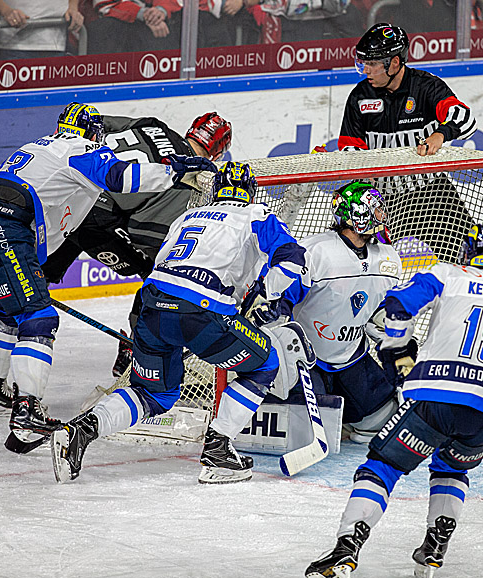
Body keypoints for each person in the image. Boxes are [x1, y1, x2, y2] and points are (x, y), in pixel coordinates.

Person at [0, 103, 216, 453]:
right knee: (39, 317)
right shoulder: (78, 147)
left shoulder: (35, 146)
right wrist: (173, 172)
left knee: (8, 311)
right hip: (0, 223)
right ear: (92, 132)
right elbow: (122, 179)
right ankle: (26, 411)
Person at [303, 224, 483, 578]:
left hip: (437, 396)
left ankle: (347, 547)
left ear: (467, 253)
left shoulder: (447, 273)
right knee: (450, 469)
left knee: (383, 465)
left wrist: (398, 348)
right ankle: (435, 543)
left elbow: (397, 305)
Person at [51, 161, 315, 485]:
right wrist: (268, 294)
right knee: (264, 364)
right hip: (201, 312)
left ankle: (81, 430)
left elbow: (164, 266)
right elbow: (293, 257)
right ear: (249, 192)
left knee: (152, 394)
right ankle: (218, 450)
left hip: (153, 308)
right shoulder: (255, 215)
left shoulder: (186, 217)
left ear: (215, 190)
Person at [254, 180, 404, 442]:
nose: (382, 215)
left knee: (382, 420)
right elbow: (281, 305)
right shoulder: (316, 251)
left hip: (351, 356)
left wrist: (398, 345)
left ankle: (348, 413)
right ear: (355, 214)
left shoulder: (388, 257)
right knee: (301, 431)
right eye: (375, 209)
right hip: (305, 359)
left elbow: (378, 313)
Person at [337, 22, 478, 262]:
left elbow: (466, 119)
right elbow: (349, 146)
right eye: (364, 63)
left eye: (372, 64)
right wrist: (361, 170)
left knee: (469, 253)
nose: (366, 71)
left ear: (394, 62)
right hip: (380, 199)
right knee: (360, 262)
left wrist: (440, 134)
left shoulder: (426, 87)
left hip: (431, 194)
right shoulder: (360, 97)